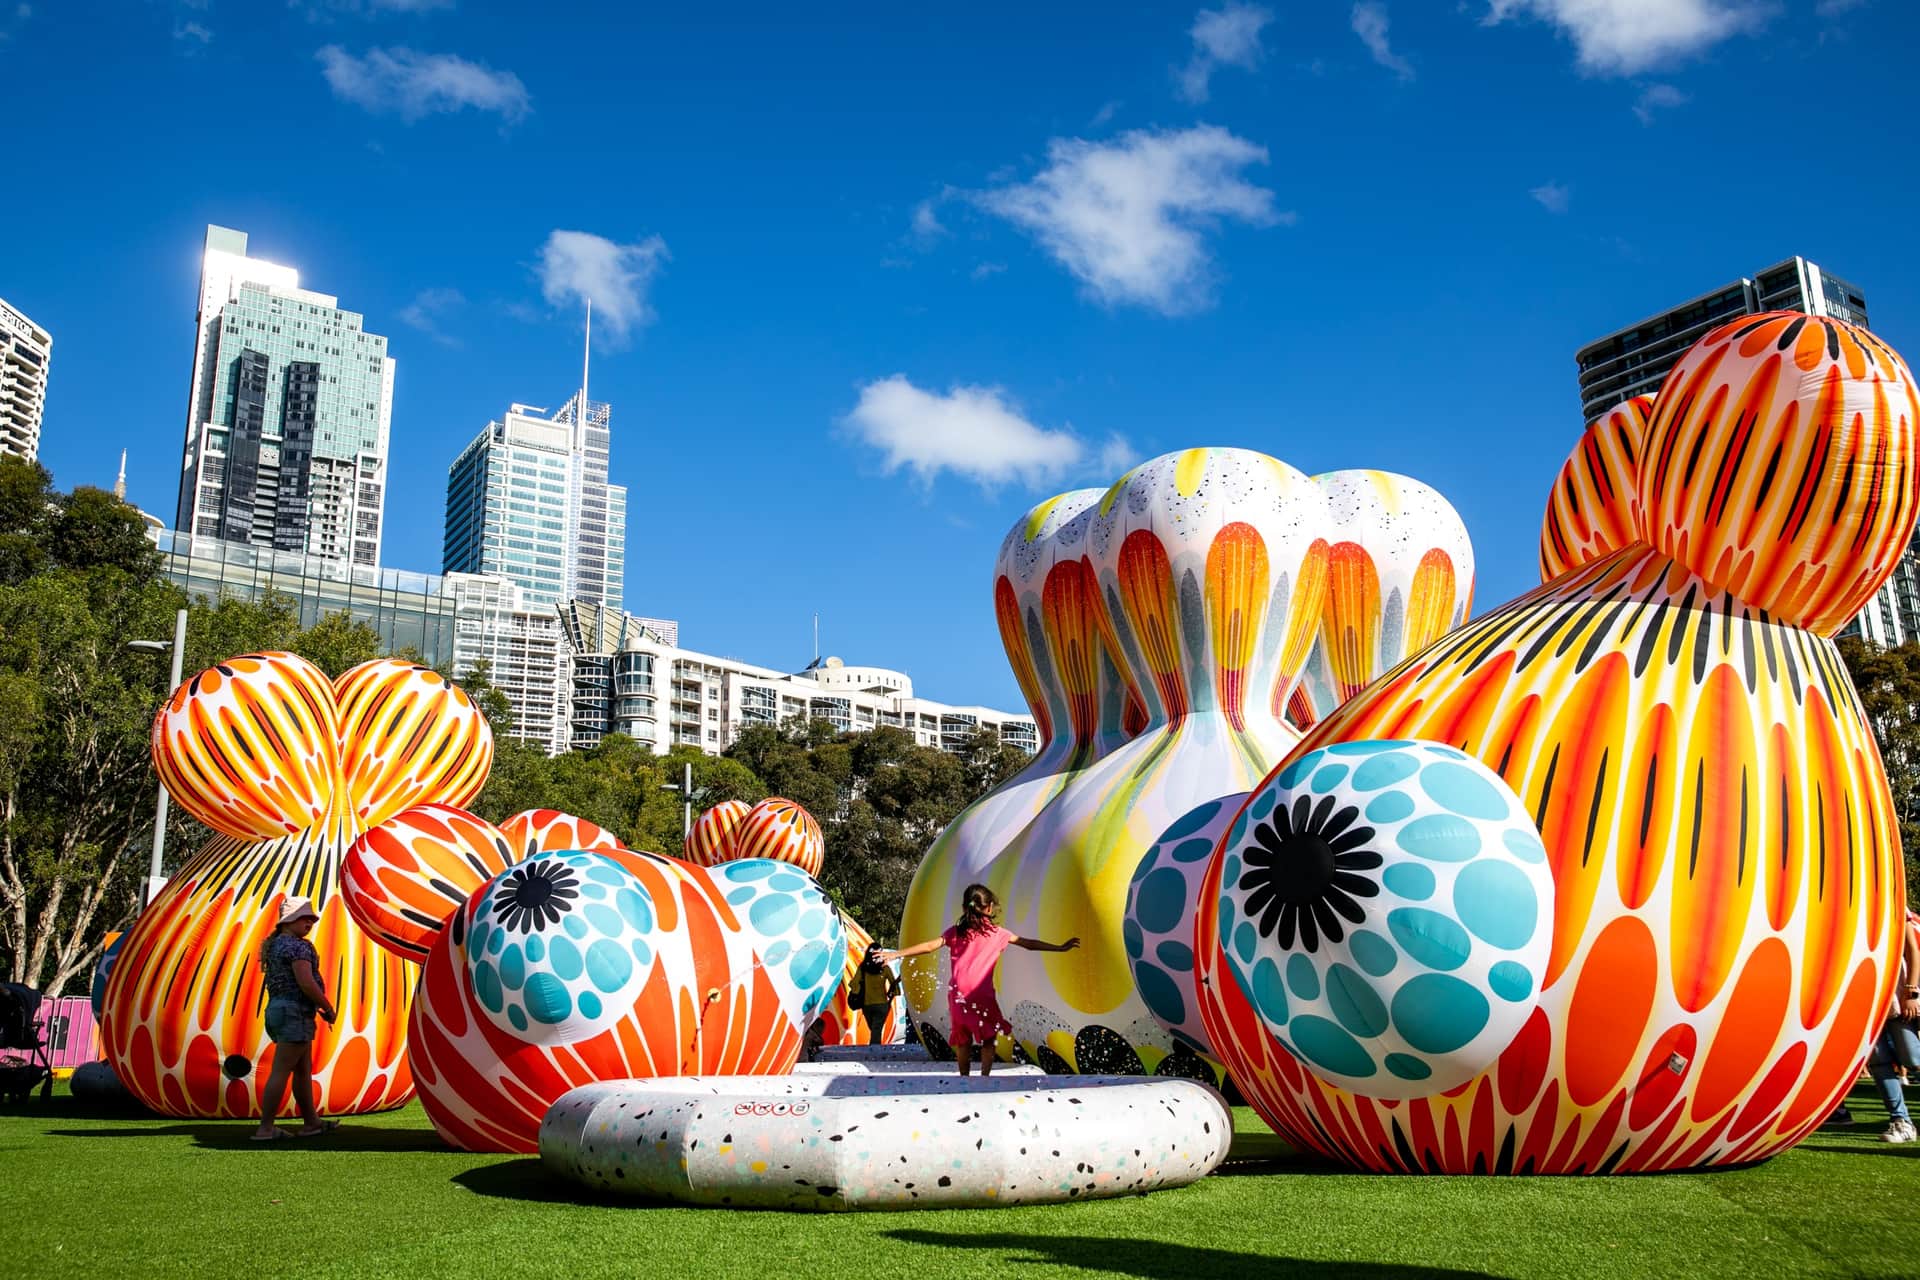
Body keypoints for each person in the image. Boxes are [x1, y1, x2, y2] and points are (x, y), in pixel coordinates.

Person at [879, 883, 1078, 1078]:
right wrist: (1059, 948)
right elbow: (1029, 944)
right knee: (988, 1038)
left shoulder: (956, 932)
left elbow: (930, 946)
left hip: (958, 995)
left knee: (963, 1039)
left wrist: (897, 954)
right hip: (981, 995)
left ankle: (964, 1078)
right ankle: (984, 1076)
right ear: (989, 908)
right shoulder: (998, 934)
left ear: (965, 908)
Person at [251, 897, 339, 1142]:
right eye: (304, 917)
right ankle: (266, 1128)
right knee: (281, 1071)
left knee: (302, 1070)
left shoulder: (276, 944)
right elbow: (305, 982)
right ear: (289, 919)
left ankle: (311, 1122)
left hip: (278, 1009)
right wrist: (327, 1007)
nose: (310, 921)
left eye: (311, 918)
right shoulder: (300, 947)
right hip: (295, 1012)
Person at [1869, 908, 1920, 1143]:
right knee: (1878, 1058)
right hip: (1865, 989)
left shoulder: (1892, 899)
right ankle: (1901, 1121)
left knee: (1912, 1057)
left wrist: (1912, 990)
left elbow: (1912, 949)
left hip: (1896, 989)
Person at [854, 942, 901, 1045]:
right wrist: (892, 995)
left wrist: (856, 993)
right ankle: (875, 1051)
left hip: (867, 1005)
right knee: (876, 1029)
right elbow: (894, 985)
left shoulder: (863, 968)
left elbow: (854, 984)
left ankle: (874, 1050)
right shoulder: (885, 968)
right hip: (882, 1004)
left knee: (875, 1029)